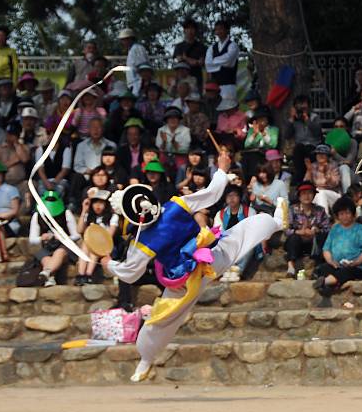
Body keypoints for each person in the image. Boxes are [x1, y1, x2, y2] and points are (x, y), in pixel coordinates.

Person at [105, 150, 288, 382]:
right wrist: (222, 169)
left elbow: (129, 273)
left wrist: (108, 263)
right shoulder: (173, 207)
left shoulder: (144, 241)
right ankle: (274, 222)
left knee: (162, 319)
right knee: (239, 236)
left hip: (186, 278)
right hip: (208, 259)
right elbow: (211, 194)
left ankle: (146, 360)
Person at [315, 196, 362, 305]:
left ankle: (326, 282)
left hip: (355, 266)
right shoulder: (335, 229)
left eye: (347, 213)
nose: (344, 216)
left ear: (353, 214)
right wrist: (331, 261)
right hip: (336, 265)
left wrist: (356, 262)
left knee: (347, 271)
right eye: (341, 214)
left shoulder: (360, 229)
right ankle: (331, 284)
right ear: (337, 216)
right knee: (324, 268)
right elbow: (326, 249)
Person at [284, 183, 329, 279]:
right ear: (299, 196)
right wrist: (300, 232)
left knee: (321, 238)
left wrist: (316, 230)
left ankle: (318, 269)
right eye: (303, 193)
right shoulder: (292, 209)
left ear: (313, 195)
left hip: (313, 243)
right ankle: (291, 268)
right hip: (298, 242)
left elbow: (327, 228)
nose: (307, 196)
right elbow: (286, 229)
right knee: (293, 238)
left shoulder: (320, 210)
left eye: (309, 193)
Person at [205, 20, 239, 99]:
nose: (218, 31)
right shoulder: (212, 47)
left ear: (227, 30)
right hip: (215, 87)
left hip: (229, 85)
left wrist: (214, 62)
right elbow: (208, 64)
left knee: (229, 107)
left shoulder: (233, 45)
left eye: (221, 29)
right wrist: (220, 64)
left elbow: (228, 60)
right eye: (216, 29)